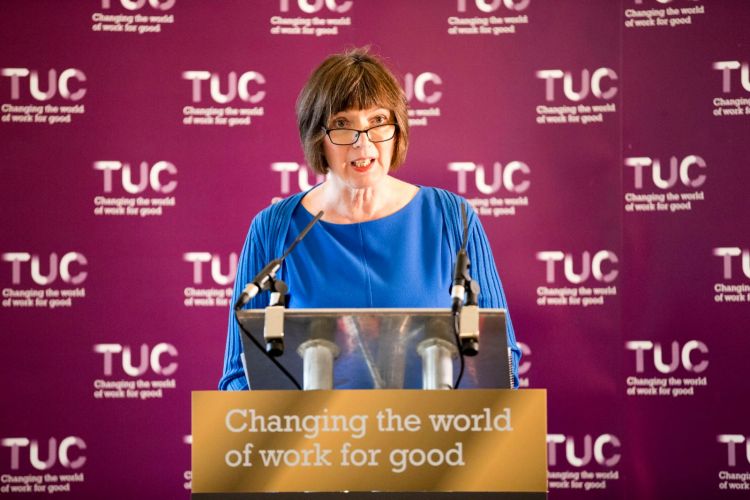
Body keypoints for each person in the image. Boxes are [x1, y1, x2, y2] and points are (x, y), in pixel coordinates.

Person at [219, 47, 520, 390]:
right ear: (318, 137)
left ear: (398, 128)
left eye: (378, 122)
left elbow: (502, 363)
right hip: (313, 443)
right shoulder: (272, 230)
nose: (364, 145)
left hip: (437, 440)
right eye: (343, 125)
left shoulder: (454, 218)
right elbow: (239, 375)